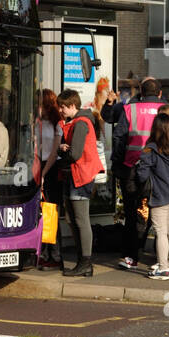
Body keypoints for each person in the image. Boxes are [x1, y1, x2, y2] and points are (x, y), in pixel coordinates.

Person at [112, 77, 169, 269]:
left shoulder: (130, 109)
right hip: (162, 171)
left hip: (132, 168)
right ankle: (158, 258)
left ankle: (132, 256)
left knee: (133, 213)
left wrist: (120, 165)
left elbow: (119, 138)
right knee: (159, 215)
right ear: (161, 93)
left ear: (141, 93)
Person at [134, 112, 169, 279]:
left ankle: (163, 268)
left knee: (161, 231)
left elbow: (142, 175)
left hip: (158, 195)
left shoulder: (151, 149)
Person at [56, 88, 101, 277]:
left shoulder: (81, 123)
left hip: (80, 175)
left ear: (72, 105)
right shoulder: (77, 122)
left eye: (63, 107)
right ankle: (83, 261)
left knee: (81, 220)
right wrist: (62, 149)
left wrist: (62, 152)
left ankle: (85, 262)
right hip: (75, 175)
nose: (60, 110)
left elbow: (75, 154)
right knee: (73, 219)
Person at [36, 89, 63, 268]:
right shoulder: (37, 122)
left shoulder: (57, 124)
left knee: (50, 213)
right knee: (42, 213)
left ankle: (54, 253)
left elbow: (54, 152)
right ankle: (43, 250)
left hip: (51, 168)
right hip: (39, 164)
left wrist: (43, 173)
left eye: (41, 104)